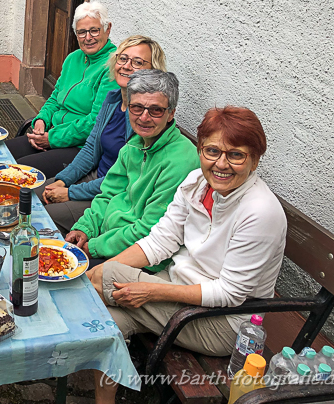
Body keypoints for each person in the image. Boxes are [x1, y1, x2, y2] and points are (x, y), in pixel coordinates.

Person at [88, 106, 287, 404]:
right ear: (200, 149)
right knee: (107, 324)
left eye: (236, 155)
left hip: (220, 322)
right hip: (178, 292)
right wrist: (97, 274)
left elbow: (230, 293)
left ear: (254, 160)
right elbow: (159, 242)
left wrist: (149, 290)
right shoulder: (196, 184)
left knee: (106, 274)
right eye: (212, 151)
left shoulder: (260, 212)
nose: (221, 164)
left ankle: (43, 317)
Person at [65, 70, 199, 268]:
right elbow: (108, 194)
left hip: (142, 259)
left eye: (155, 110)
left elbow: (150, 228)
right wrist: (85, 229)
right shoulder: (135, 144)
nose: (144, 117)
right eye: (137, 107)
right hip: (108, 240)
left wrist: (93, 247)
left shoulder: (182, 161)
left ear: (171, 113)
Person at [35, 36, 167, 235]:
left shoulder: (145, 117)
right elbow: (90, 149)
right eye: (123, 59)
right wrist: (63, 180)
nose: (126, 66)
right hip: (95, 177)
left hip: (116, 195)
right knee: (30, 196)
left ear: (153, 71)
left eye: (138, 62)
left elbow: (124, 178)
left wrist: (70, 192)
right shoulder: (113, 99)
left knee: (43, 216)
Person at [6, 1, 118, 178]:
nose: (88, 37)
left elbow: (95, 122)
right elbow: (55, 98)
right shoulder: (73, 58)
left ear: (107, 29)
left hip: (81, 147)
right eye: (81, 32)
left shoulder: (114, 66)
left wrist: (52, 139)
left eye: (94, 30)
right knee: (0, 154)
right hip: (52, 132)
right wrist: (41, 121)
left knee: (16, 173)